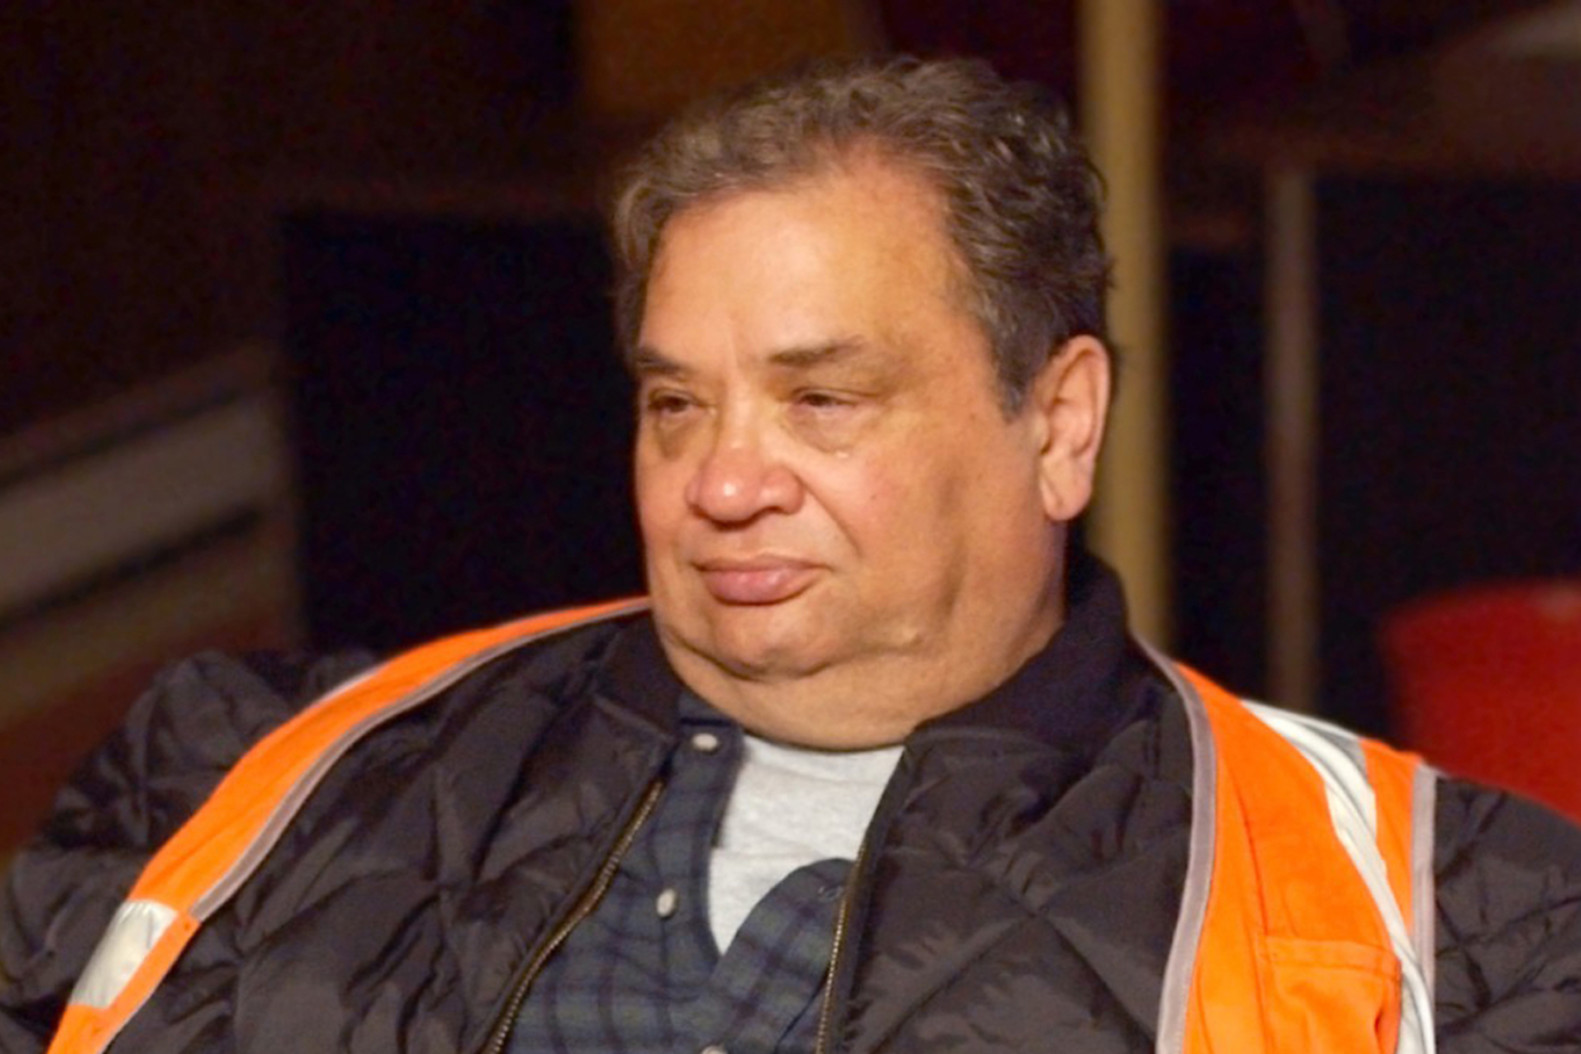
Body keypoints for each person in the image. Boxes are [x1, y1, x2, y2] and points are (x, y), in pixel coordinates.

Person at [4, 56, 1581, 1054]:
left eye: (823, 399)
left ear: (1059, 422)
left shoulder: (1446, 921)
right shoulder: (257, 764)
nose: (723, 480)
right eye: (675, 404)